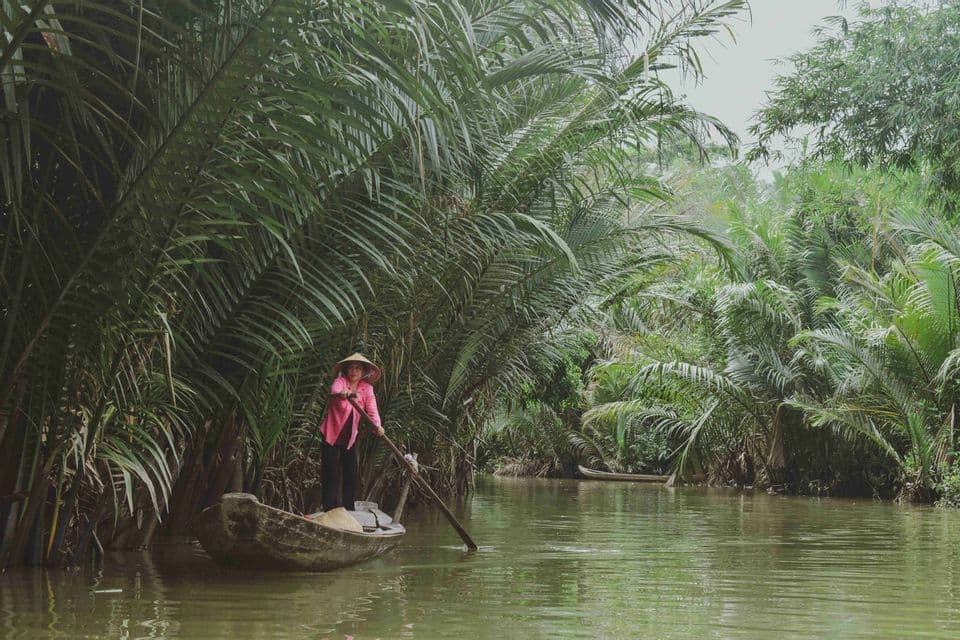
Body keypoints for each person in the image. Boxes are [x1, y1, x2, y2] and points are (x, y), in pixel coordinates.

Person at [319, 352, 385, 512]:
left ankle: (349, 510)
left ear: (363, 372)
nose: (353, 371)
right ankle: (329, 510)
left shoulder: (367, 388)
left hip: (350, 438)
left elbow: (372, 410)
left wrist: (378, 426)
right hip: (331, 436)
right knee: (331, 474)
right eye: (350, 368)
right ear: (346, 370)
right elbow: (335, 391)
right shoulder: (340, 382)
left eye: (357, 368)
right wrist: (343, 395)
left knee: (351, 474)